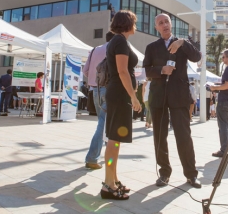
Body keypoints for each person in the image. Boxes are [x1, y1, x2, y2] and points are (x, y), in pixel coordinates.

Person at [143, 13, 202, 189]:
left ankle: (191, 175)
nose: (164, 25)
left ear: (171, 24)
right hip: (158, 97)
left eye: (166, 21)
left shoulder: (182, 44)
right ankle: (164, 173)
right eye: (160, 23)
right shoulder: (152, 47)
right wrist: (162, 69)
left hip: (179, 96)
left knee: (184, 136)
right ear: (157, 27)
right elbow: (147, 71)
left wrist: (183, 42)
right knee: (160, 137)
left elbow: (197, 57)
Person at [101, 11, 142, 200]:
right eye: (134, 22)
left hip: (118, 93)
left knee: (115, 139)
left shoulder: (119, 41)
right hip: (119, 94)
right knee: (114, 138)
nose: (136, 25)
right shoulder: (120, 42)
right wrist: (134, 97)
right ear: (127, 23)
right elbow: (123, 71)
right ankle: (108, 184)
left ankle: (113, 179)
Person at [83, 31, 114, 170]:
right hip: (108, 88)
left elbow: (85, 71)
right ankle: (92, 158)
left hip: (94, 88)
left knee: (104, 122)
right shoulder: (114, 49)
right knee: (104, 123)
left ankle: (108, 154)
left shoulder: (95, 49)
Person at [209, 49, 228, 158]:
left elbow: (227, 86)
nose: (222, 59)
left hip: (225, 101)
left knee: (222, 125)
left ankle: (224, 150)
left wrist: (214, 87)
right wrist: (219, 84)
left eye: (223, 57)